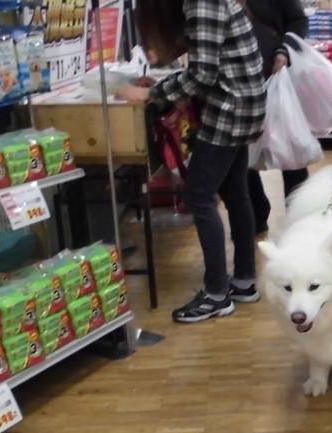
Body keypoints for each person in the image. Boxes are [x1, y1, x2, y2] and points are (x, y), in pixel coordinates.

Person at [118, 0, 266, 323]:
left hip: (230, 108)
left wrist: (152, 94)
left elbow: (202, 75)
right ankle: (244, 280)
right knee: (235, 190)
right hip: (242, 103)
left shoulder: (201, 3)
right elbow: (208, 63)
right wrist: (160, 83)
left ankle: (216, 294)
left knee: (199, 194)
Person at [244, 0, 310, 234]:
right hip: (236, 82)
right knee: (241, 155)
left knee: (290, 155)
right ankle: (255, 213)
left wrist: (284, 50)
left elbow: (299, 20)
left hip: (274, 77)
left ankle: (300, 221)